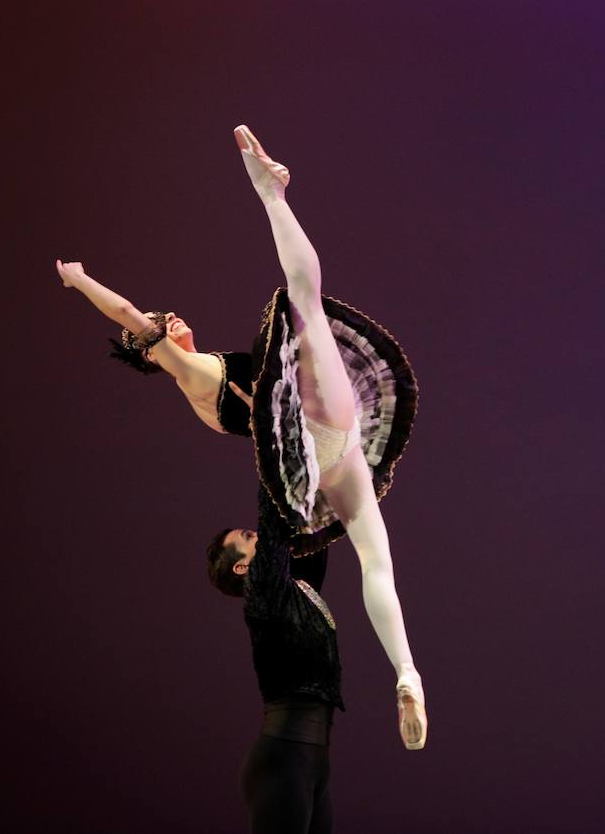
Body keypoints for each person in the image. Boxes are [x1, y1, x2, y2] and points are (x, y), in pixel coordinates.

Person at [56, 125, 426, 750]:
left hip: (322, 463)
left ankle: (408, 676)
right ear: (154, 351)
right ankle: (270, 192)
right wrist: (80, 280)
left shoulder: (204, 383)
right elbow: (129, 319)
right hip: (318, 433)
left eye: (165, 313)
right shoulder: (194, 372)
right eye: (159, 325)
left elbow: (143, 325)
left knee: (376, 559)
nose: (168, 317)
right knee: (304, 301)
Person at [211, 484, 344, 832]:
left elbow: (310, 526)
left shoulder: (296, 592)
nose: (255, 534)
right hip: (283, 761)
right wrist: (275, 440)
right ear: (241, 568)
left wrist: (318, 450)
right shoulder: (263, 599)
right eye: (246, 537)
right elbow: (274, 520)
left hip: (315, 762)